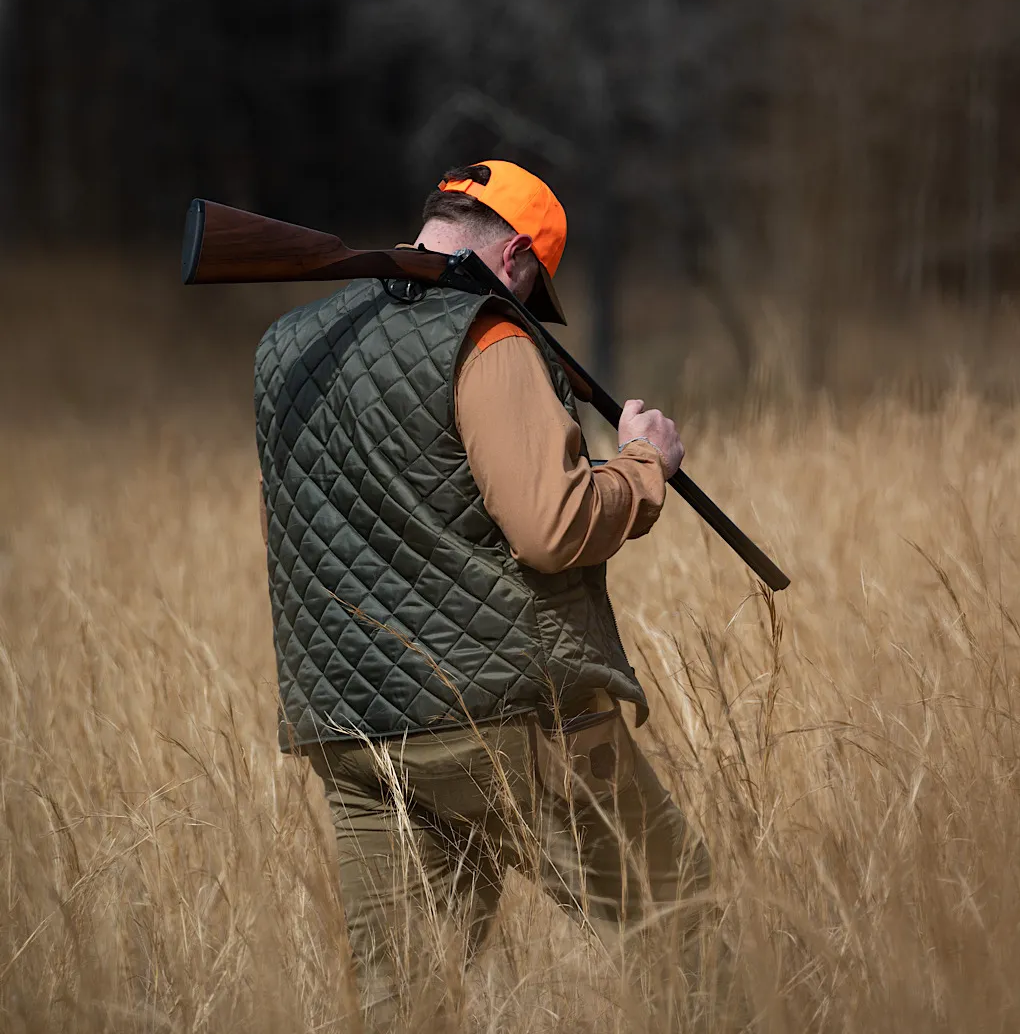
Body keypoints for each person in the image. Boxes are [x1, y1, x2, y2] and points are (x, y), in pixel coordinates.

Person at [254, 161, 714, 1028]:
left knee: (408, 1008)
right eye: (534, 280)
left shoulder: (288, 345)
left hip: (353, 731)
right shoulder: (489, 336)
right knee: (687, 937)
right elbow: (552, 525)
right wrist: (645, 462)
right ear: (516, 258)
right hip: (508, 718)